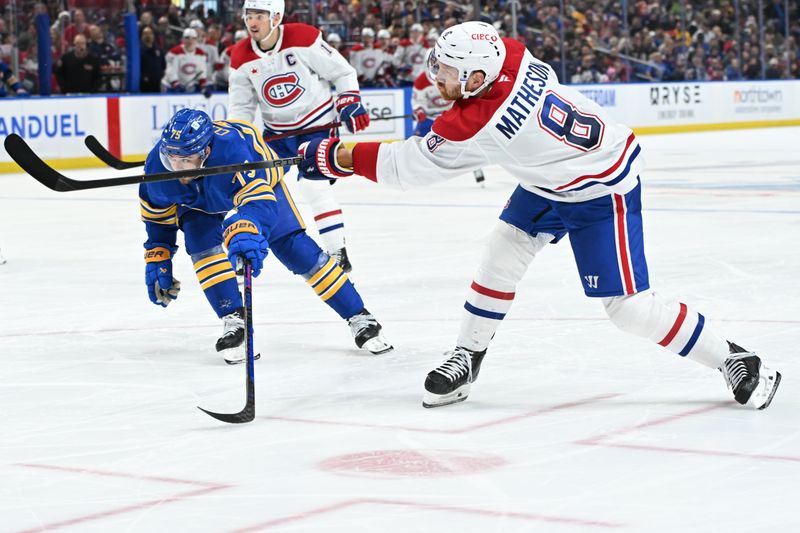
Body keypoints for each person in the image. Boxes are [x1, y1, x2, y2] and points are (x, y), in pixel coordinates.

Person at [297, 22, 781, 410]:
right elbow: (461, 120)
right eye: (438, 65)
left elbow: (407, 168)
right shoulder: (510, 53)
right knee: (502, 250)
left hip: (598, 186)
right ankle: (469, 354)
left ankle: (736, 359)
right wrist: (441, 128)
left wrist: (333, 155)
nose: (437, 76)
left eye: (447, 71)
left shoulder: (478, 122)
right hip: (550, 173)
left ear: (477, 79)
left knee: (629, 309)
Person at [140, 108, 392, 364]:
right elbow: (157, 219)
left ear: (205, 153)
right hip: (199, 203)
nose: (177, 168)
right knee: (200, 243)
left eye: (186, 160)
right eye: (172, 157)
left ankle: (359, 315)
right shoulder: (156, 169)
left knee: (295, 249)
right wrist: (158, 256)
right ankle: (234, 320)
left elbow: (258, 202)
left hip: (260, 186)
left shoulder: (233, 149)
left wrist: (248, 226)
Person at [228, 0, 370, 273]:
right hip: (276, 134)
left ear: (276, 17)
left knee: (312, 186)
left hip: (317, 124)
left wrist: (349, 101)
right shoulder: (240, 55)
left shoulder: (302, 37)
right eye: (249, 15)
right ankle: (247, 245)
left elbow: (342, 71)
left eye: (259, 15)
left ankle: (337, 252)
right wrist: (238, 137)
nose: (252, 22)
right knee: (256, 184)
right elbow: (242, 106)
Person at [411, 69, 485, 186]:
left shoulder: (454, 75)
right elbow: (417, 101)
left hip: (450, 115)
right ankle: (413, 171)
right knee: (416, 144)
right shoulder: (421, 81)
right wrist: (419, 110)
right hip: (429, 118)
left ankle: (477, 169)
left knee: (466, 142)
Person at [162, 28, 209, 94]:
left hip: (187, 86)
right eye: (187, 38)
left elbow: (201, 71)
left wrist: (203, 87)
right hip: (170, 86)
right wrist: (176, 84)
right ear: (183, 40)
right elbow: (171, 71)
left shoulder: (201, 54)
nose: (190, 41)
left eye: (193, 38)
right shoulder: (174, 52)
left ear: (196, 40)